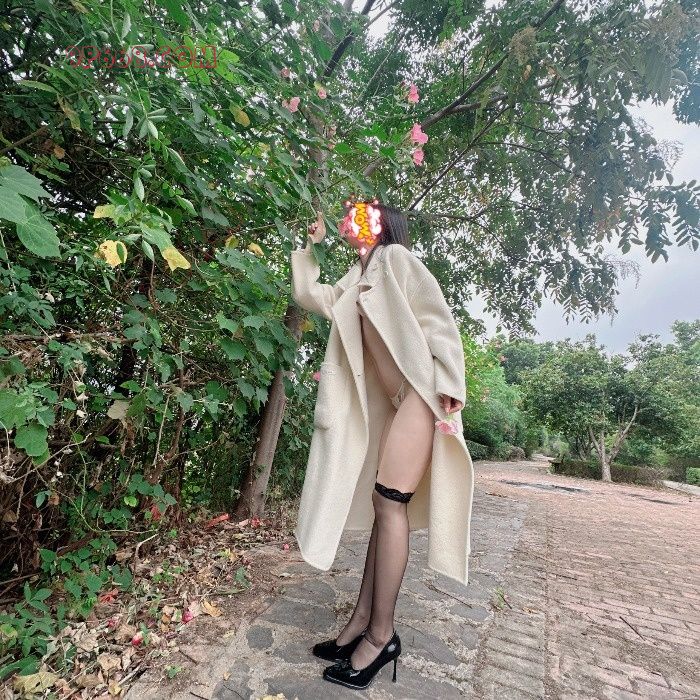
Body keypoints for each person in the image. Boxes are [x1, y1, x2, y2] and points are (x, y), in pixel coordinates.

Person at [290, 200, 469, 690]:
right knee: (382, 506)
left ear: (382, 225)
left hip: (420, 394)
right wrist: (310, 247)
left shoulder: (397, 260)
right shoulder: (355, 279)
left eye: (362, 213)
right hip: (395, 403)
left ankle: (382, 635)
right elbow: (310, 295)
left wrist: (452, 380)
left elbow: (438, 319)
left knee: (391, 504)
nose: (351, 217)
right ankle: (360, 623)